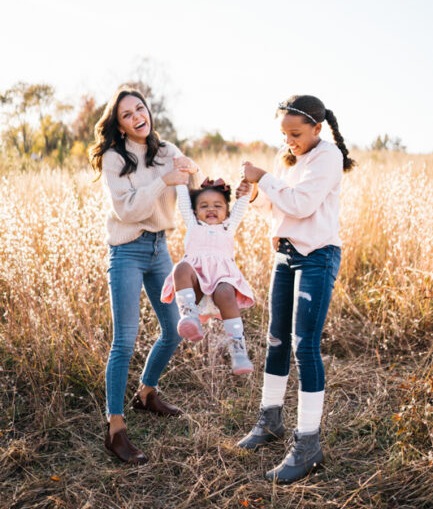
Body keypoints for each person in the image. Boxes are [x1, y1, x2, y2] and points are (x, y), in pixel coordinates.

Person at [237, 94, 355, 484]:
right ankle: (270, 421)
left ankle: (308, 445)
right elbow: (277, 207)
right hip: (285, 254)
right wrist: (252, 193)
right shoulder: (286, 157)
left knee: (304, 346)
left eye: (296, 134)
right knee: (276, 339)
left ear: (317, 128)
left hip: (317, 256)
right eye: (284, 134)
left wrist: (264, 179)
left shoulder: (328, 156)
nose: (289, 141)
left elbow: (301, 205)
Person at [89, 83, 201, 464]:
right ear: (120, 125)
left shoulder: (166, 150)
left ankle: (147, 393)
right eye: (127, 114)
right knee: (124, 341)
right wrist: (163, 181)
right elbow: (127, 211)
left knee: (173, 329)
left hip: (159, 248)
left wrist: (193, 172)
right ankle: (115, 429)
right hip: (127, 250)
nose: (137, 116)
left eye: (140, 108)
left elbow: (193, 187)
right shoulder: (113, 158)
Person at [160, 178, 255, 374]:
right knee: (181, 268)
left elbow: (242, 202)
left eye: (218, 206)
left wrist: (249, 183)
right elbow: (184, 201)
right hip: (197, 292)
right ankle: (189, 316)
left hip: (222, 293)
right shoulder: (193, 226)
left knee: (225, 289)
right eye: (204, 206)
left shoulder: (229, 226)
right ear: (195, 212)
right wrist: (181, 177)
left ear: (227, 211)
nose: (211, 209)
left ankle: (238, 351)